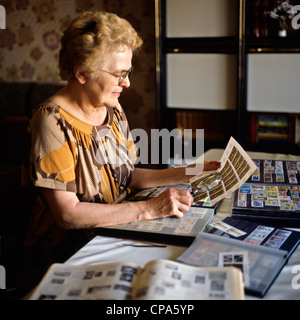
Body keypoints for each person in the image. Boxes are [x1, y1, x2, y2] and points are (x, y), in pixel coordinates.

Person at [22, 11, 220, 286]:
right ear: (81, 72)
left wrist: (186, 173)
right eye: (119, 74)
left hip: (117, 225)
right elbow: (68, 215)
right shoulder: (50, 122)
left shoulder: (110, 106)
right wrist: (150, 209)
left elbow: (125, 175)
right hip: (69, 251)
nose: (127, 83)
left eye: (128, 72)